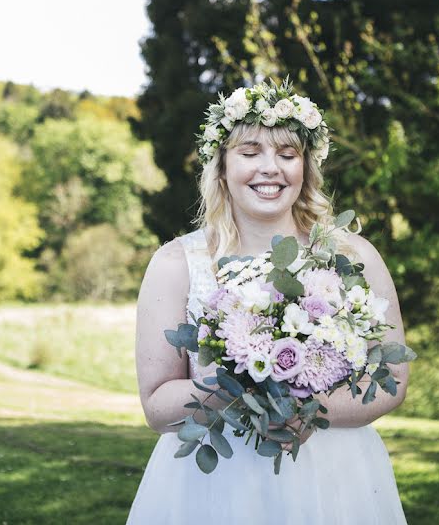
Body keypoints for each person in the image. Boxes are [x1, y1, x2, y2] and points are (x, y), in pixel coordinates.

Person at [127, 80, 409, 524]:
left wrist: (305, 412)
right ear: (221, 164)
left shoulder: (353, 257)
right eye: (250, 151)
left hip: (335, 477)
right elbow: (157, 405)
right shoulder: (176, 264)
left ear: (306, 167)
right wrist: (240, 386)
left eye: (287, 154)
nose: (269, 168)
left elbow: (392, 375)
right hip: (215, 485)